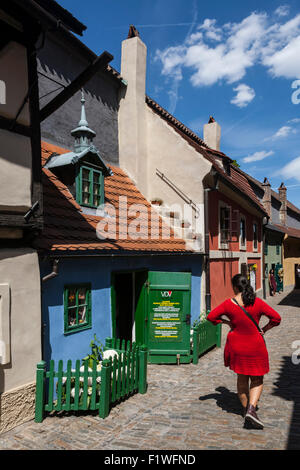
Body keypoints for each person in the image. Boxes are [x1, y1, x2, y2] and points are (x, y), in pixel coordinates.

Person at [207, 274, 281, 429]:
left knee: (242, 380)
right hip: (256, 345)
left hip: (237, 346)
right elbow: (276, 318)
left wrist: (226, 322)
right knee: (257, 379)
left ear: (234, 286)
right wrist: (264, 329)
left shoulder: (229, 304)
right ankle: (252, 410)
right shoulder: (257, 302)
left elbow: (211, 317)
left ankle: (246, 410)